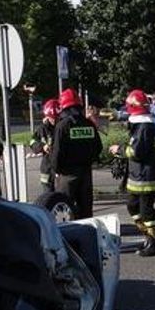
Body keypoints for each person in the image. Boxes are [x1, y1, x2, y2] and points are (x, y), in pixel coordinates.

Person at [109, 89, 155, 257]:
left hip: (145, 177)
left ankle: (154, 241)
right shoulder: (140, 124)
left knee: (147, 212)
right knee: (132, 206)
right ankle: (147, 235)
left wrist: (120, 150)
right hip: (137, 175)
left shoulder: (145, 126)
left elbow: (137, 152)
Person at [51, 88, 103, 219]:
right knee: (85, 209)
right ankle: (85, 235)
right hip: (85, 173)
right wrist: (89, 160)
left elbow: (57, 151)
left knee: (64, 210)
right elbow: (98, 147)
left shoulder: (62, 126)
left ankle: (66, 237)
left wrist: (56, 170)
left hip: (67, 174)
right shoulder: (89, 124)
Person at [29, 98, 60, 193]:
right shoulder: (42, 128)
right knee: (47, 194)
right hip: (47, 167)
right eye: (52, 117)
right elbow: (32, 142)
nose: (54, 120)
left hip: (61, 166)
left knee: (63, 194)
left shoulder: (64, 127)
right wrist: (42, 147)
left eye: (56, 117)